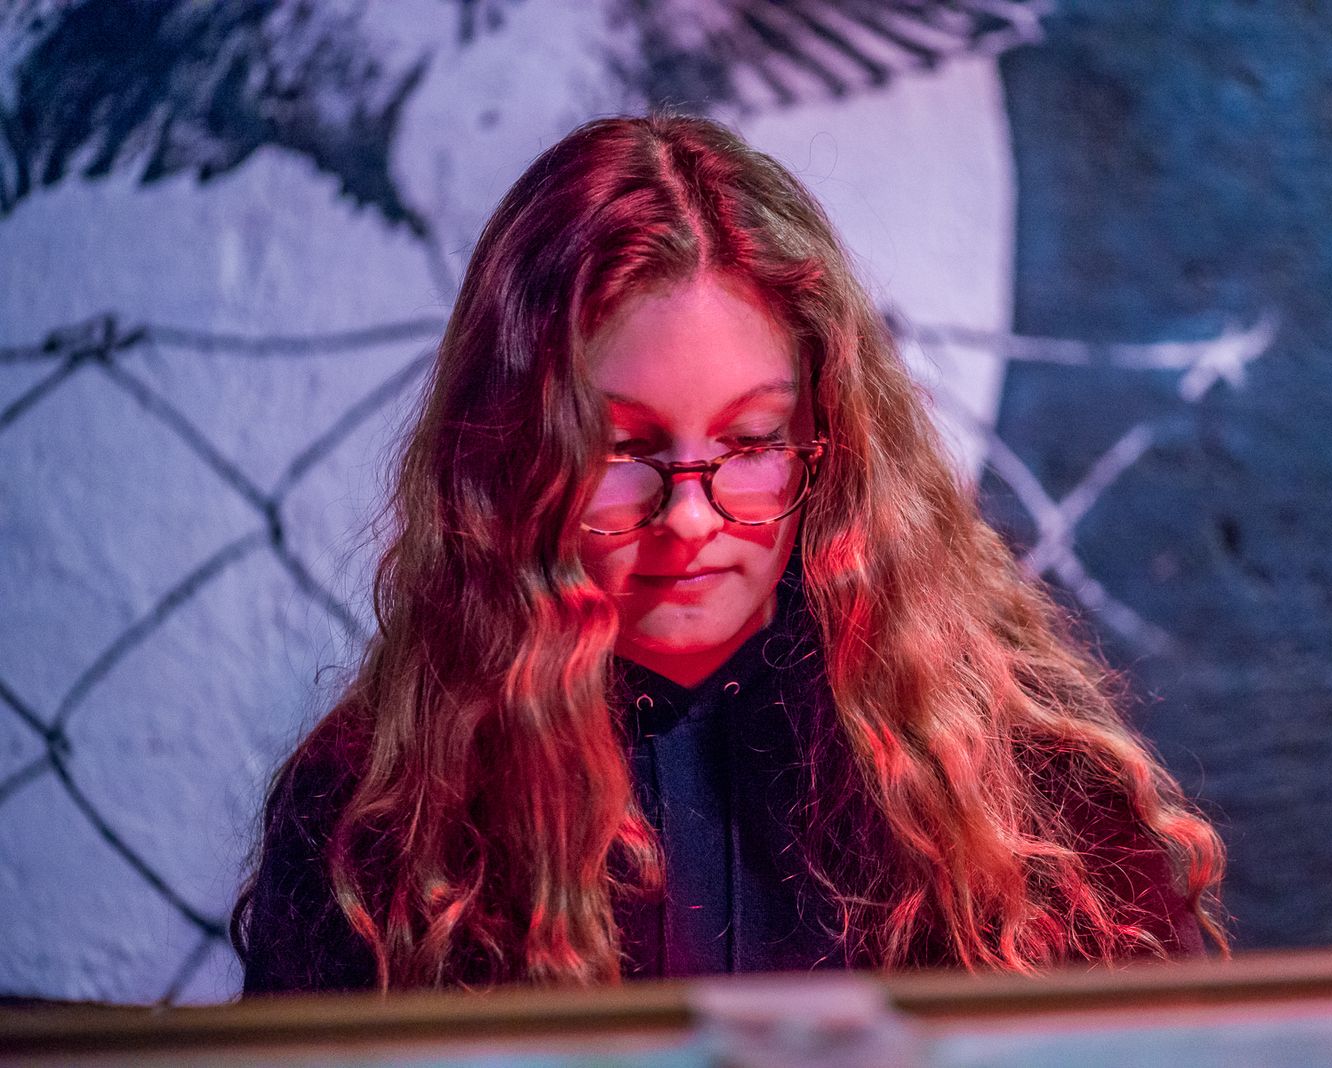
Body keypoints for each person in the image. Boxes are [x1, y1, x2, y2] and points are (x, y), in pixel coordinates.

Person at [230, 113, 1226, 994]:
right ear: (511, 455)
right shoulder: (376, 818)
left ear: (827, 441)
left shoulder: (1021, 790)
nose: (690, 520)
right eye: (624, 450)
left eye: (750, 444)